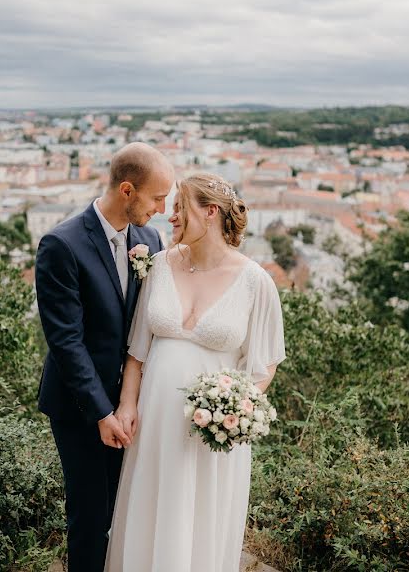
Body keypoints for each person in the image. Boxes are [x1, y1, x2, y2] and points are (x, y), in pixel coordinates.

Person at [105, 173, 286, 572]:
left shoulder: (256, 283)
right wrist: (127, 404)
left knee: (199, 521)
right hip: (152, 426)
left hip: (210, 434)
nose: (170, 218)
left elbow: (264, 366)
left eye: (178, 209)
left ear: (210, 213)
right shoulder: (159, 265)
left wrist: (231, 412)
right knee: (150, 511)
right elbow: (137, 352)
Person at [35, 142, 174, 572]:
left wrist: (131, 401)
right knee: (91, 517)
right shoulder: (62, 244)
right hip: (81, 409)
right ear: (128, 190)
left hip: (133, 404)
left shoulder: (149, 239)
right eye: (157, 198)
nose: (163, 209)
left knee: (129, 510)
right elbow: (66, 342)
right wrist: (101, 412)